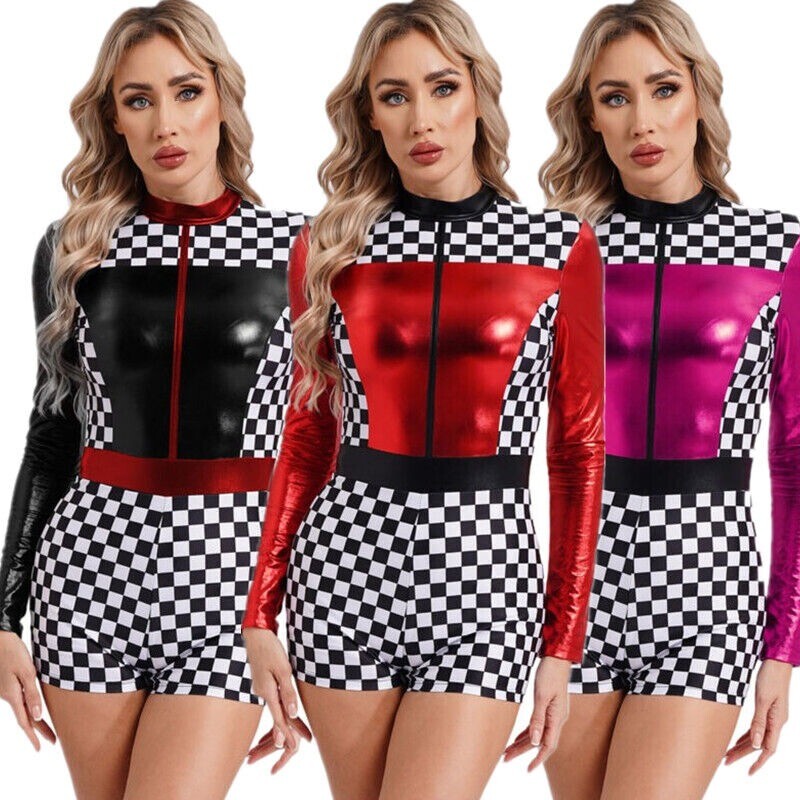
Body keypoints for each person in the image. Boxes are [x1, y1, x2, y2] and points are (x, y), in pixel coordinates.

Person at [242, 1, 605, 797]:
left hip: (485, 580)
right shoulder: (329, 246)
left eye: (442, 88)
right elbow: (306, 437)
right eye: (394, 96)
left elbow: (578, 452)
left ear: (478, 92)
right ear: (369, 116)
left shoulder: (558, 248)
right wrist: (260, 610)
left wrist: (563, 642)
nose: (422, 120)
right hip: (343, 573)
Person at [0, 1, 308, 797]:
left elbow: (334, 443)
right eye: (139, 100)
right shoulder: (74, 247)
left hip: (229, 583)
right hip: (87, 577)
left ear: (222, 99)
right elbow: (51, 430)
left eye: (186, 91)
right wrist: (4, 614)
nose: (166, 123)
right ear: (114, 119)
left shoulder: (301, 247)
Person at [533, 1, 800, 798]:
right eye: (615, 97)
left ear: (699, 96)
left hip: (706, 589)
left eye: (663, 89)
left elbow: (793, 457)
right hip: (577, 587)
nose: (643, 121)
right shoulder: (560, 252)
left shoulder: (775, 249)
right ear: (591, 117)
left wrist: (784, 645)